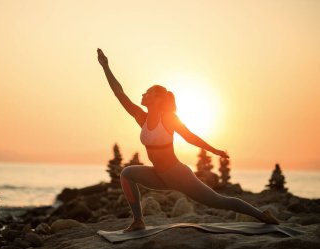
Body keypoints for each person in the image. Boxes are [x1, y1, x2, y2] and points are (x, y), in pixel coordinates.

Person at [96, 48, 279, 232]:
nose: (143, 94)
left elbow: (190, 137)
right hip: (159, 175)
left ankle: (261, 215)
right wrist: (106, 66)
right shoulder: (141, 118)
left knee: (219, 201)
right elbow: (119, 93)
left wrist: (215, 151)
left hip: (179, 175)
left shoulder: (168, 118)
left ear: (158, 99)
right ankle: (138, 221)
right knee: (127, 174)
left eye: (148, 92)